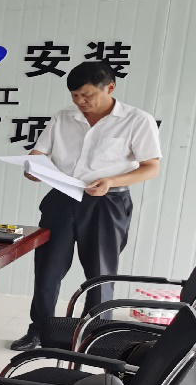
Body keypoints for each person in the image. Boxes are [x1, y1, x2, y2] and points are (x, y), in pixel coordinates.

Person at [11, 61, 162, 350]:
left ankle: (95, 335)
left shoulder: (136, 120)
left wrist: (111, 180)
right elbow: (39, 152)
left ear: (110, 88)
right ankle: (39, 330)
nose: (80, 102)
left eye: (87, 95)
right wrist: (33, 167)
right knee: (48, 269)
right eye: (75, 96)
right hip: (61, 199)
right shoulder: (63, 117)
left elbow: (151, 167)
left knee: (100, 274)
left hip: (107, 202)